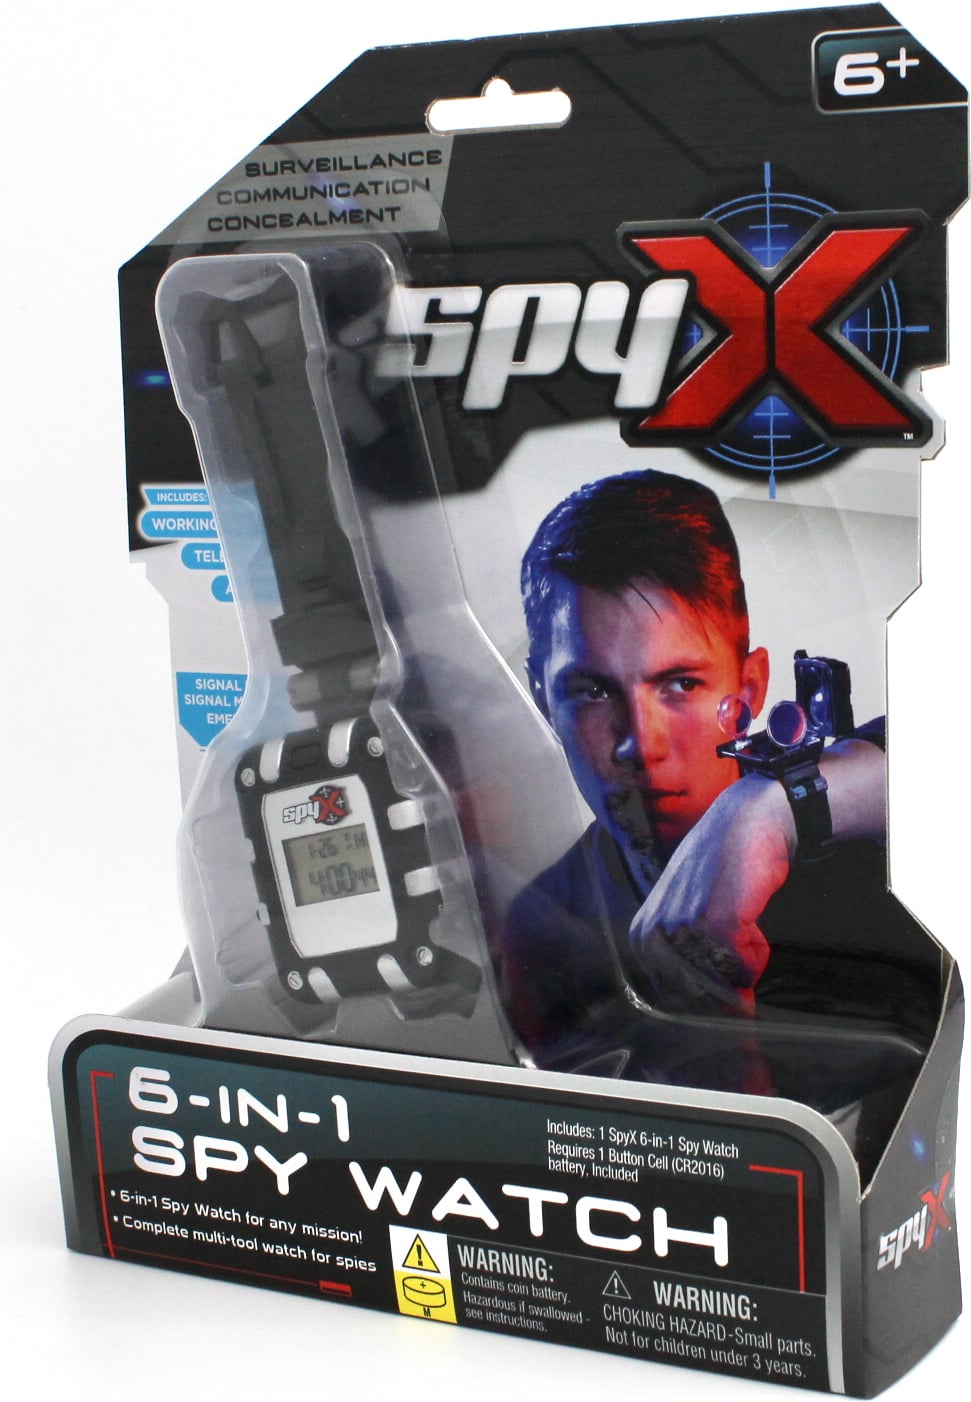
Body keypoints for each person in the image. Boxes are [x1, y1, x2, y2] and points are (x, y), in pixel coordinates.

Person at [495, 469, 938, 1094]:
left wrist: (777, 808)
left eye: (681, 684)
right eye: (593, 691)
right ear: (541, 696)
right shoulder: (540, 933)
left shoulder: (875, 863)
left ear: (750, 689)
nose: (640, 743)